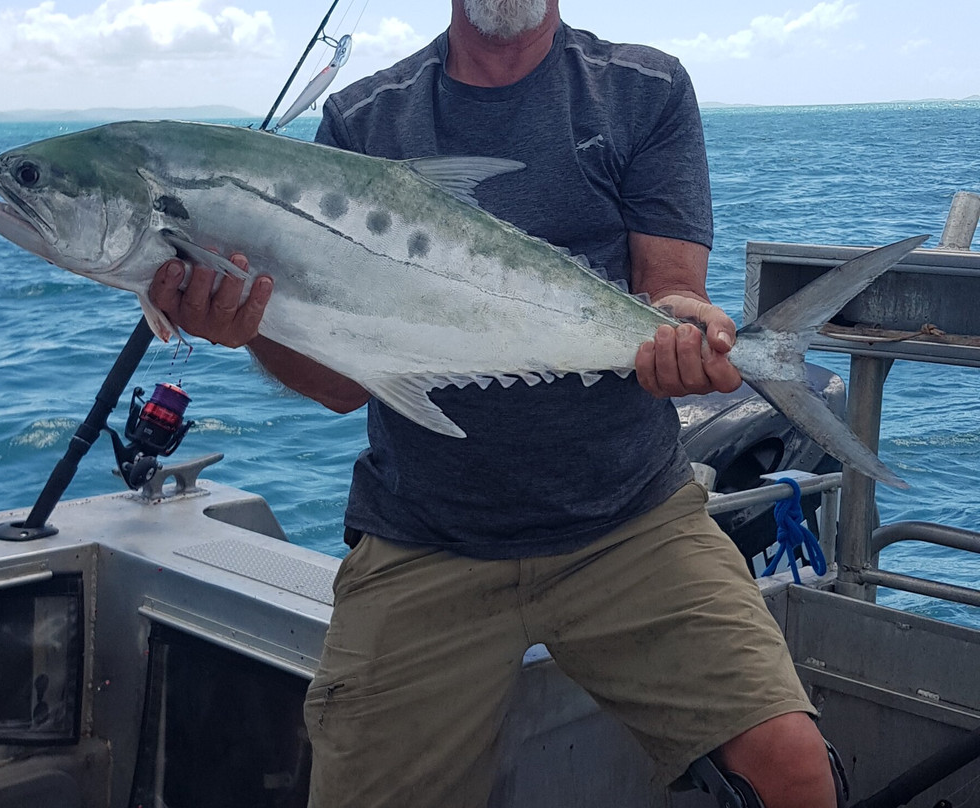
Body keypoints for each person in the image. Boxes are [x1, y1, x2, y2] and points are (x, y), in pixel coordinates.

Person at [148, 1, 842, 805]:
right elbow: (342, 386)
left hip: (630, 524)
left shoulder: (640, 88)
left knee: (791, 768)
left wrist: (689, 334)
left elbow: (671, 293)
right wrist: (252, 327)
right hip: (425, 535)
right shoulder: (365, 118)